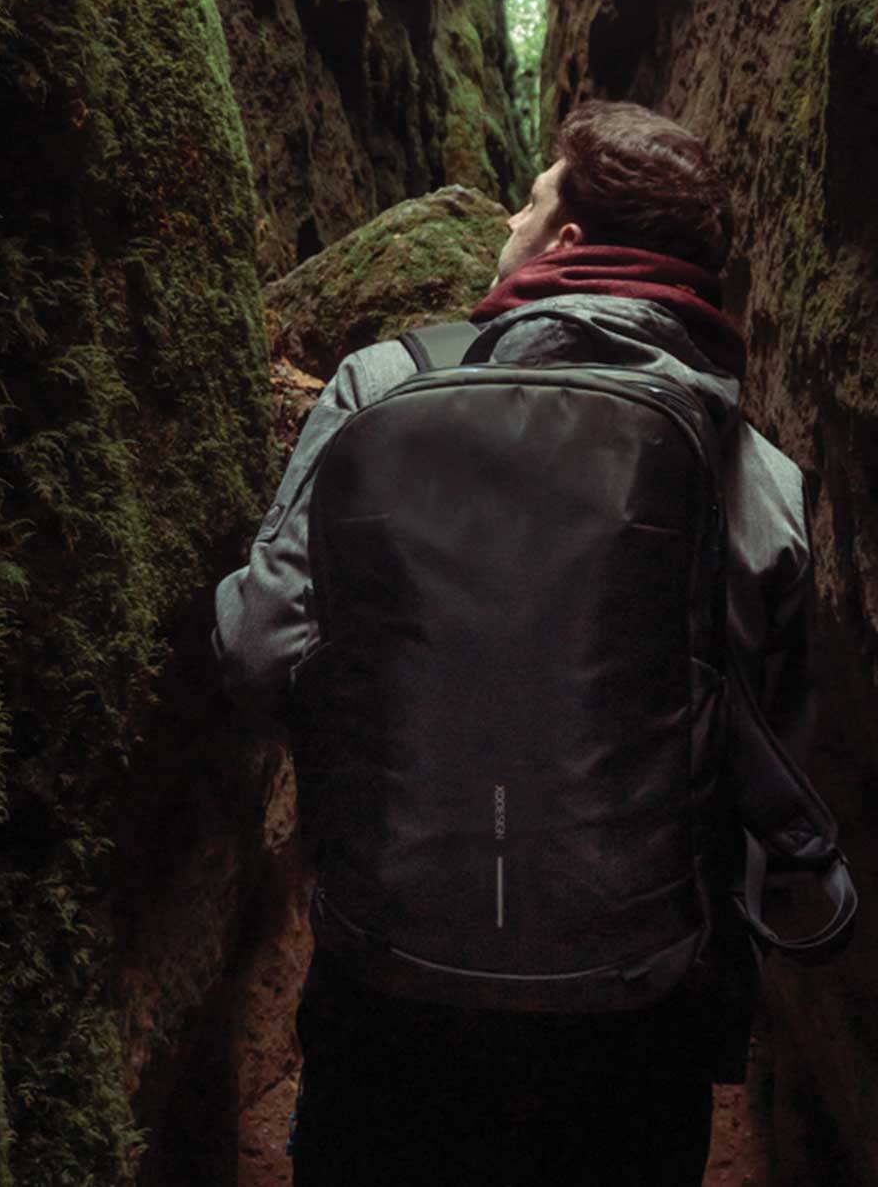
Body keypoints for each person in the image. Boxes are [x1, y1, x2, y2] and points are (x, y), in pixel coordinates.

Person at [213, 100, 815, 1186]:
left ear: (564, 242)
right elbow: (761, 739)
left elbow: (258, 653)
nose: (507, 222)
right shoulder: (750, 469)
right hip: (631, 1012)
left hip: (392, 979)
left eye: (527, 203)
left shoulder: (381, 384)